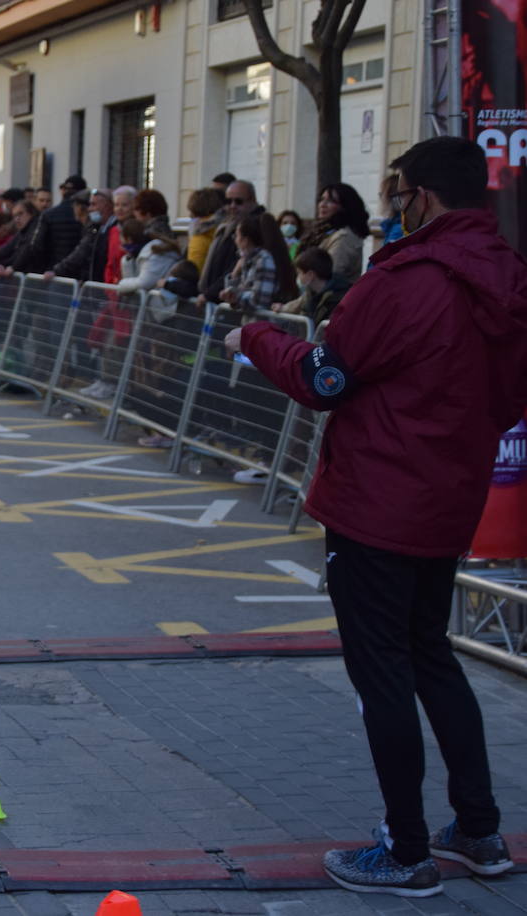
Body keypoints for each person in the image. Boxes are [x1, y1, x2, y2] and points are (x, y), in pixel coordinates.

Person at [226, 135, 527, 898]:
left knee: (383, 670)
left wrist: (255, 336)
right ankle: (479, 829)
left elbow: (325, 377)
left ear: (419, 196)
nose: (391, 207)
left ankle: (404, 848)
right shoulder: (507, 278)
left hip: (377, 502)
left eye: (396, 193)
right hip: (449, 498)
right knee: (432, 653)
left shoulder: (409, 280)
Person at [297, 182, 370, 285]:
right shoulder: (322, 232)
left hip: (330, 299)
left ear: (345, 206)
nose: (323, 205)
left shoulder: (343, 237)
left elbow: (328, 277)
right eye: (322, 199)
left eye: (331, 201)